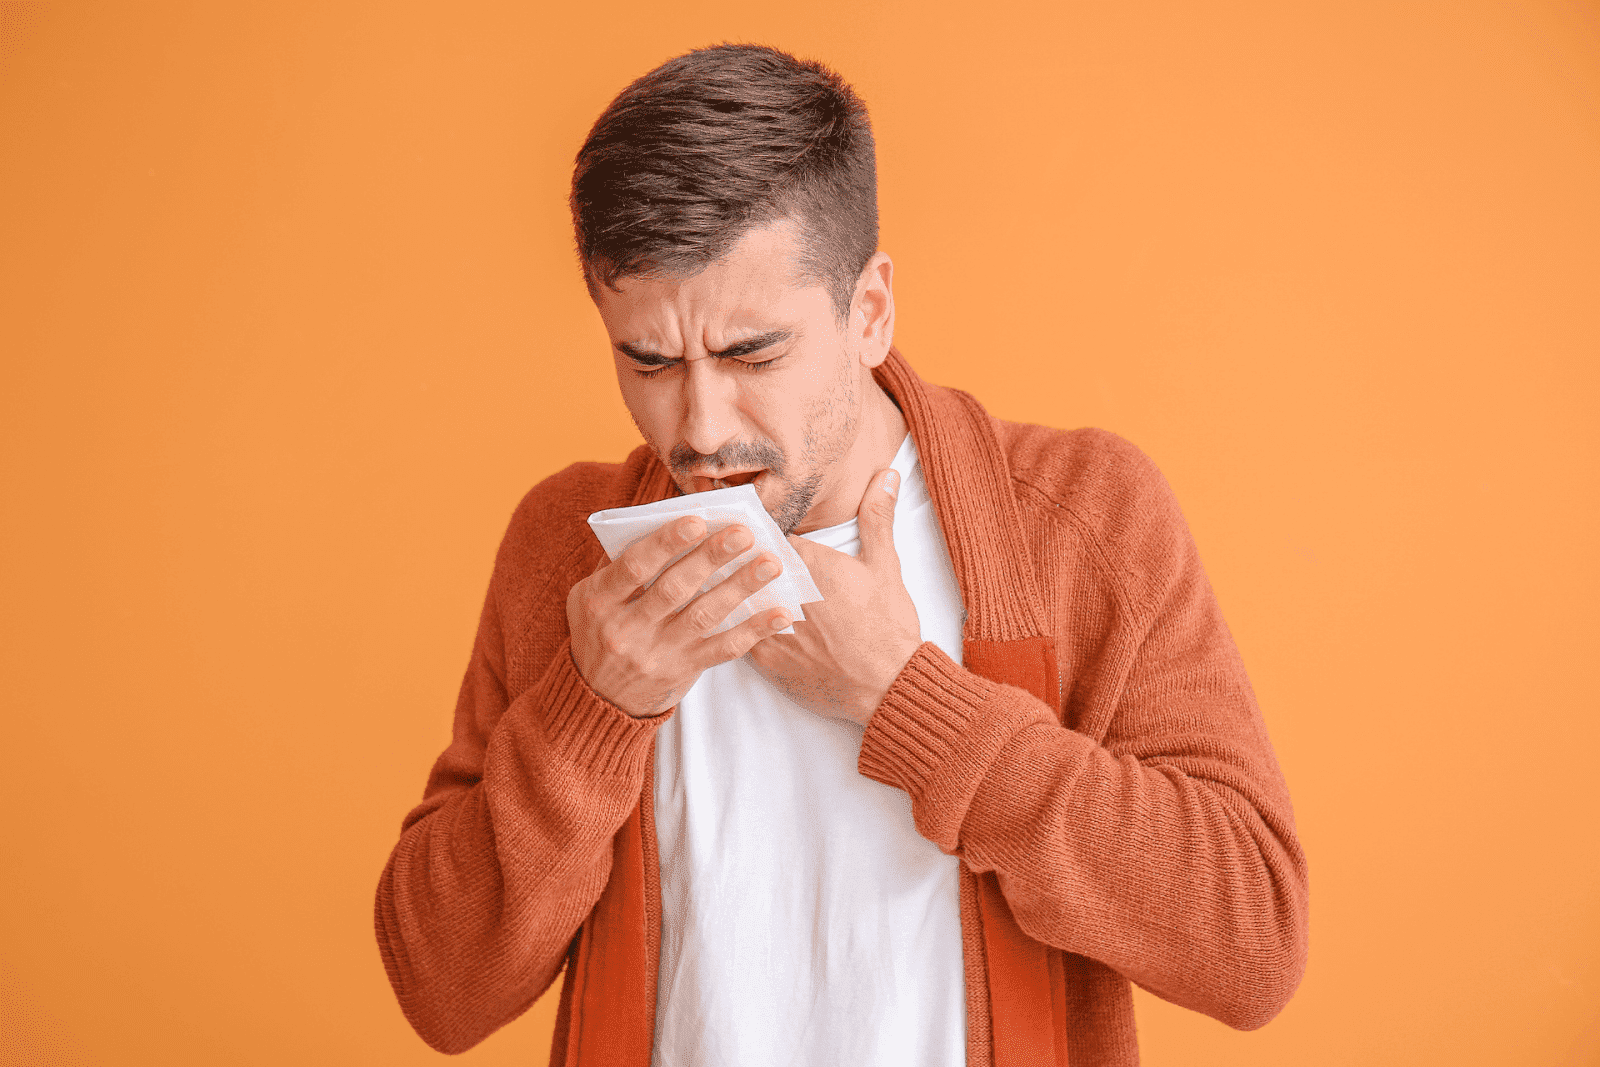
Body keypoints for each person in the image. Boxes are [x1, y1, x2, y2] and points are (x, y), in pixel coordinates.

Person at [374, 42, 1309, 1067]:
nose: (698, 427)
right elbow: (442, 992)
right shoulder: (565, 544)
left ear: (869, 312)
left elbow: (1251, 943)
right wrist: (589, 707)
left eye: (752, 352)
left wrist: (909, 700)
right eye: (648, 360)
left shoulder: (1082, 515)